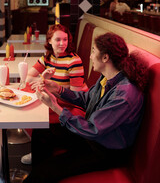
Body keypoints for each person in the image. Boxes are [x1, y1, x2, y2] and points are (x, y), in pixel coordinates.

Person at [23, 32, 148, 183]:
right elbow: (86, 98)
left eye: (93, 51)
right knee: (42, 134)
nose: (89, 56)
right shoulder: (108, 78)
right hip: (95, 137)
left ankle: (41, 174)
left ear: (105, 57)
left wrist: (54, 106)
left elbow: (91, 129)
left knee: (42, 174)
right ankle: (41, 171)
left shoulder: (123, 95)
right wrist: (58, 89)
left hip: (106, 150)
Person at [21, 24, 88, 165]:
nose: (62, 43)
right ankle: (39, 149)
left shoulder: (74, 61)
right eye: (58, 40)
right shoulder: (47, 58)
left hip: (70, 105)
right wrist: (43, 79)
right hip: (54, 98)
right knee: (27, 104)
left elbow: (75, 95)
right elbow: (28, 78)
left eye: (65, 39)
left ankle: (41, 152)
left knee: (35, 115)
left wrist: (51, 87)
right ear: (50, 41)